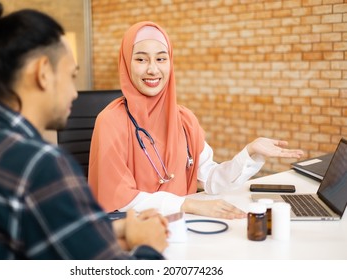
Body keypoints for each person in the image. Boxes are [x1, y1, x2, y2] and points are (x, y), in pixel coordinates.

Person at [0, 2, 168, 260]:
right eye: (71, 76)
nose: (74, 93)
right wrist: (148, 245)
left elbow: (18, 229)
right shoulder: (41, 166)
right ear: (42, 73)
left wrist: (104, 228)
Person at [88, 21, 304, 219]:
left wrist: (250, 152)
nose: (153, 69)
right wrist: (187, 204)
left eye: (161, 59)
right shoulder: (110, 121)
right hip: (135, 235)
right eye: (141, 59)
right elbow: (120, 197)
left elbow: (210, 178)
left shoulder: (184, 120)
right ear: (126, 63)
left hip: (184, 228)